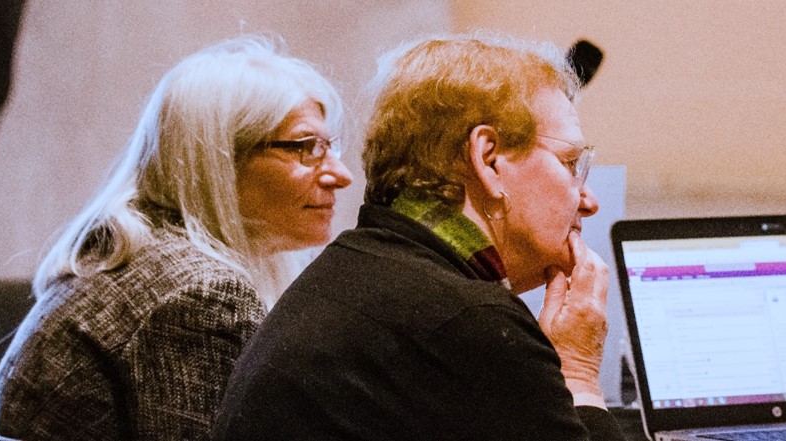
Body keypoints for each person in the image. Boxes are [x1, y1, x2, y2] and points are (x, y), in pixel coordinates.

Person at [212, 32, 623, 441]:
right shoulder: (465, 322)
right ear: (489, 159)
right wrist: (579, 372)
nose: (588, 201)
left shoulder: (358, 269)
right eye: (571, 163)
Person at [0, 36, 353, 440]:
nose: (340, 175)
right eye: (305, 148)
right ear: (218, 159)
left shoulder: (148, 255)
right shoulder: (198, 293)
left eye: (330, 147)